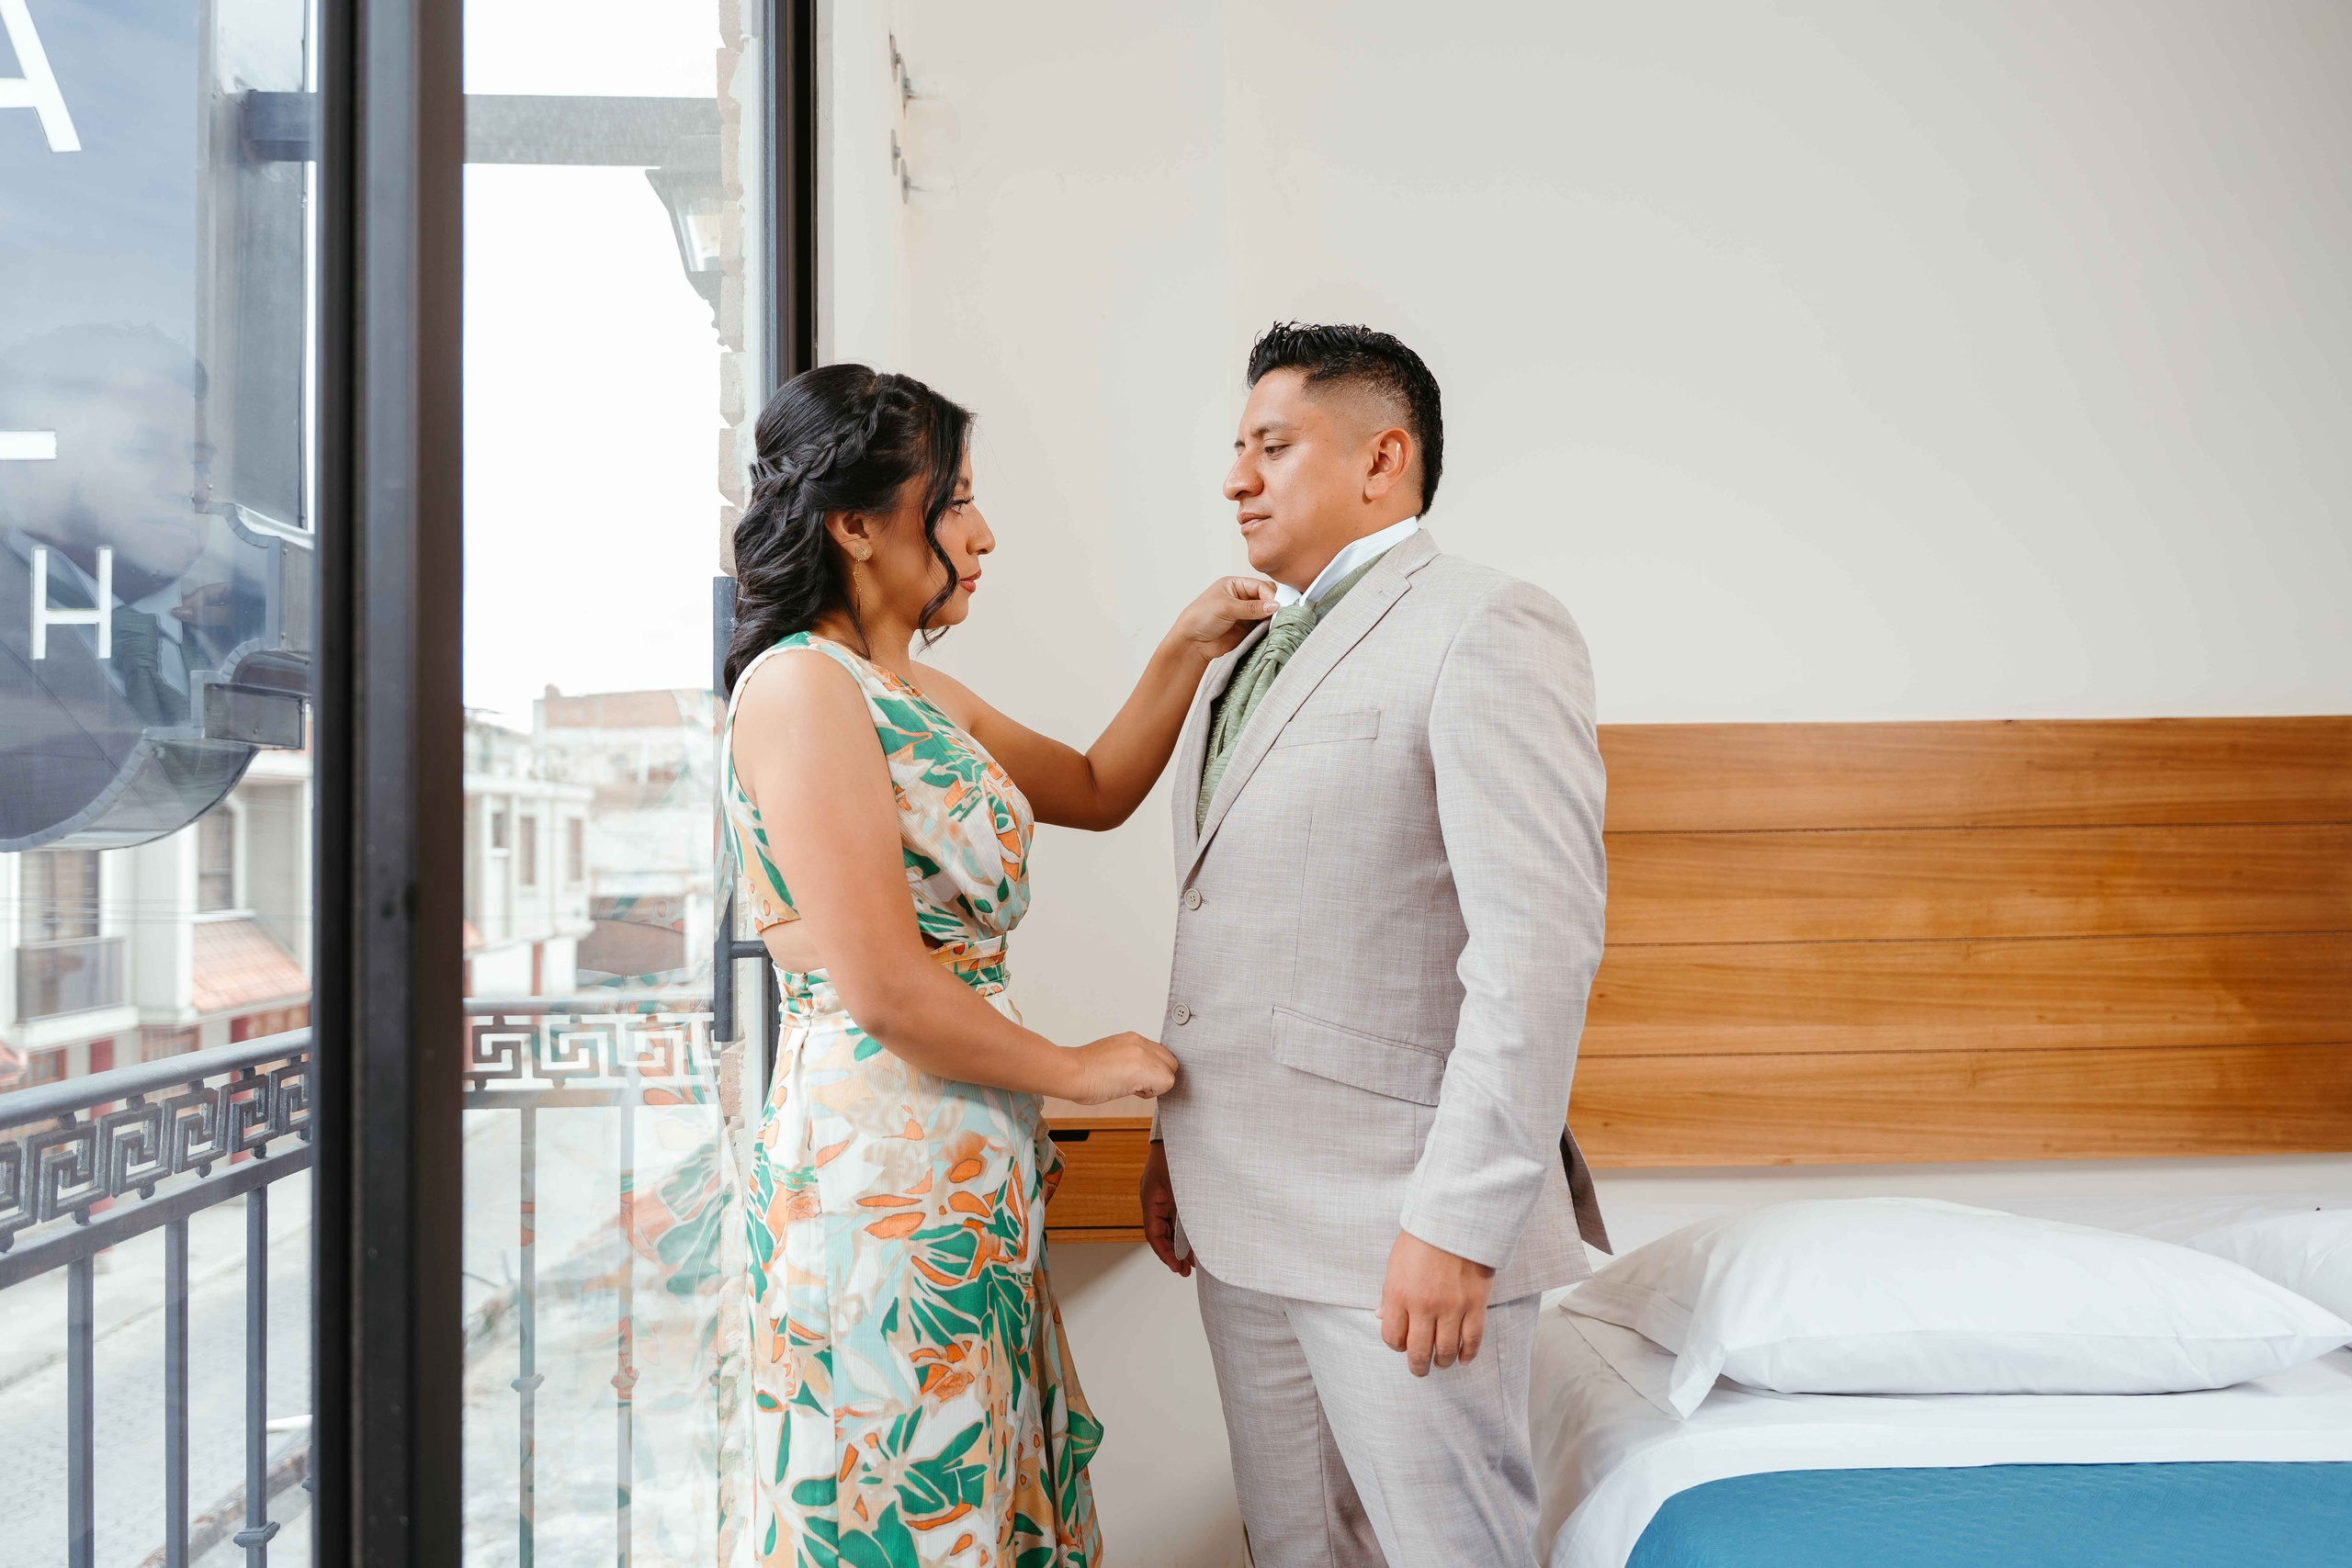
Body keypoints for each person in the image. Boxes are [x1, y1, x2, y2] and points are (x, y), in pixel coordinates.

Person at [723, 363, 1275, 1567]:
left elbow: (1093, 786)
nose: (983, 535)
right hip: (877, 1165)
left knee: (980, 1486)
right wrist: (1076, 1070)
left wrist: (1188, 642)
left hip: (963, 1153)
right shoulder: (802, 693)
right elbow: (882, 987)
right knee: (906, 1505)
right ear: (858, 524)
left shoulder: (906, 690)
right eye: (954, 502)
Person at [1137, 322, 1612, 1566]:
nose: (1236, 478)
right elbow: (1246, 918)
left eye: (1273, 446)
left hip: (1400, 1220)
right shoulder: (1241, 651)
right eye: (1234, 450)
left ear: (1381, 458)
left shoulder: (1487, 624)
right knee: (1299, 1550)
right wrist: (1174, 1135)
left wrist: (1458, 1224)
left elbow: (1537, 944)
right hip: (1238, 1209)